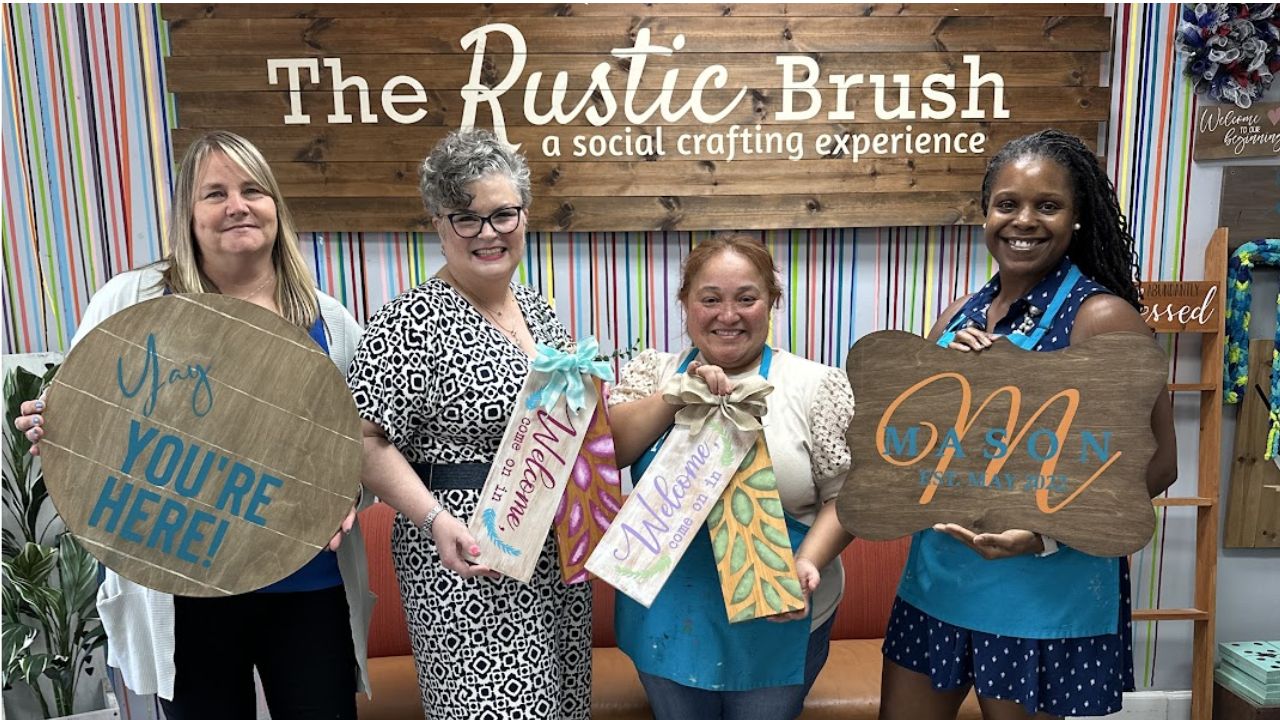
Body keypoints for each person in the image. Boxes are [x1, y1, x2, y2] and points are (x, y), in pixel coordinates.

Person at [13, 131, 371, 719]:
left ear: (275, 205)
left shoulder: (325, 320)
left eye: (253, 189)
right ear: (188, 214)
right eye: (215, 193)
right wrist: (54, 428)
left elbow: (360, 446)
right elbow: (85, 423)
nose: (238, 205)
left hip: (305, 585)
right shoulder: (132, 301)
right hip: (181, 584)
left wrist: (348, 493)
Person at [878, 129, 1178, 720]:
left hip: (1041, 594)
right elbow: (922, 449)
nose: (1024, 220)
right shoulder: (960, 313)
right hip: (937, 583)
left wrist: (1045, 534)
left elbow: (1159, 465)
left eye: (1048, 205)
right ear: (985, 213)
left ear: (1077, 218)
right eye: (1007, 203)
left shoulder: (1101, 318)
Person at [346, 128, 590, 720]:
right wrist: (435, 520)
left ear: (524, 217)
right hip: (465, 564)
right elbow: (361, 439)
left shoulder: (539, 309)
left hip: (552, 556)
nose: (488, 232)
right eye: (466, 218)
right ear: (438, 223)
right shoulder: (413, 318)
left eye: (503, 214)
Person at [606, 233, 856, 720]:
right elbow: (610, 452)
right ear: (685, 303)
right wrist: (676, 395)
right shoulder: (653, 374)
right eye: (710, 299)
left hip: (781, 610)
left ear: (771, 303)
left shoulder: (815, 385)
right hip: (666, 612)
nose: (728, 315)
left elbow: (847, 497)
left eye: (746, 298)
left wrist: (807, 561)